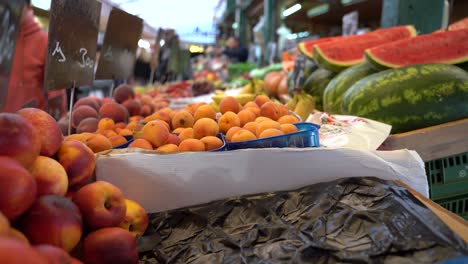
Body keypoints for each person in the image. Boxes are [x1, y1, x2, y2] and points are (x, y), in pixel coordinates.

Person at [1, 0, 67, 119]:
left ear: (27, 6)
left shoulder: (46, 42)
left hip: (32, 129)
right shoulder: (3, 39)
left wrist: (58, 124)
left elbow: (57, 97)